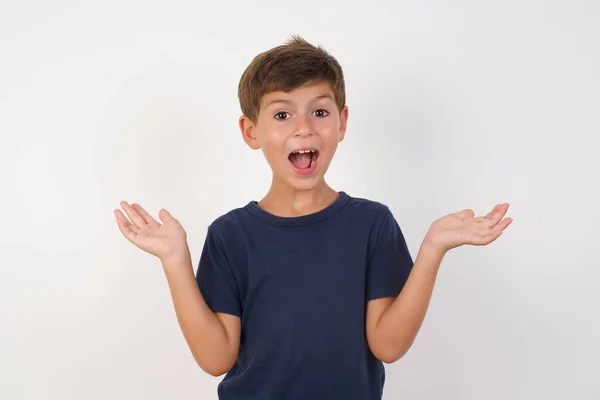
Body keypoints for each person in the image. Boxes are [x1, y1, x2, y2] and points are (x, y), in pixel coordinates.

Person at [114, 35, 512, 399]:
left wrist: (433, 249)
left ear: (342, 122)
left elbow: (388, 346)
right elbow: (216, 359)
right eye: (283, 115)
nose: (303, 128)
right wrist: (175, 262)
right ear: (251, 131)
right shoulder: (229, 235)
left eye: (319, 112)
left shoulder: (372, 224)